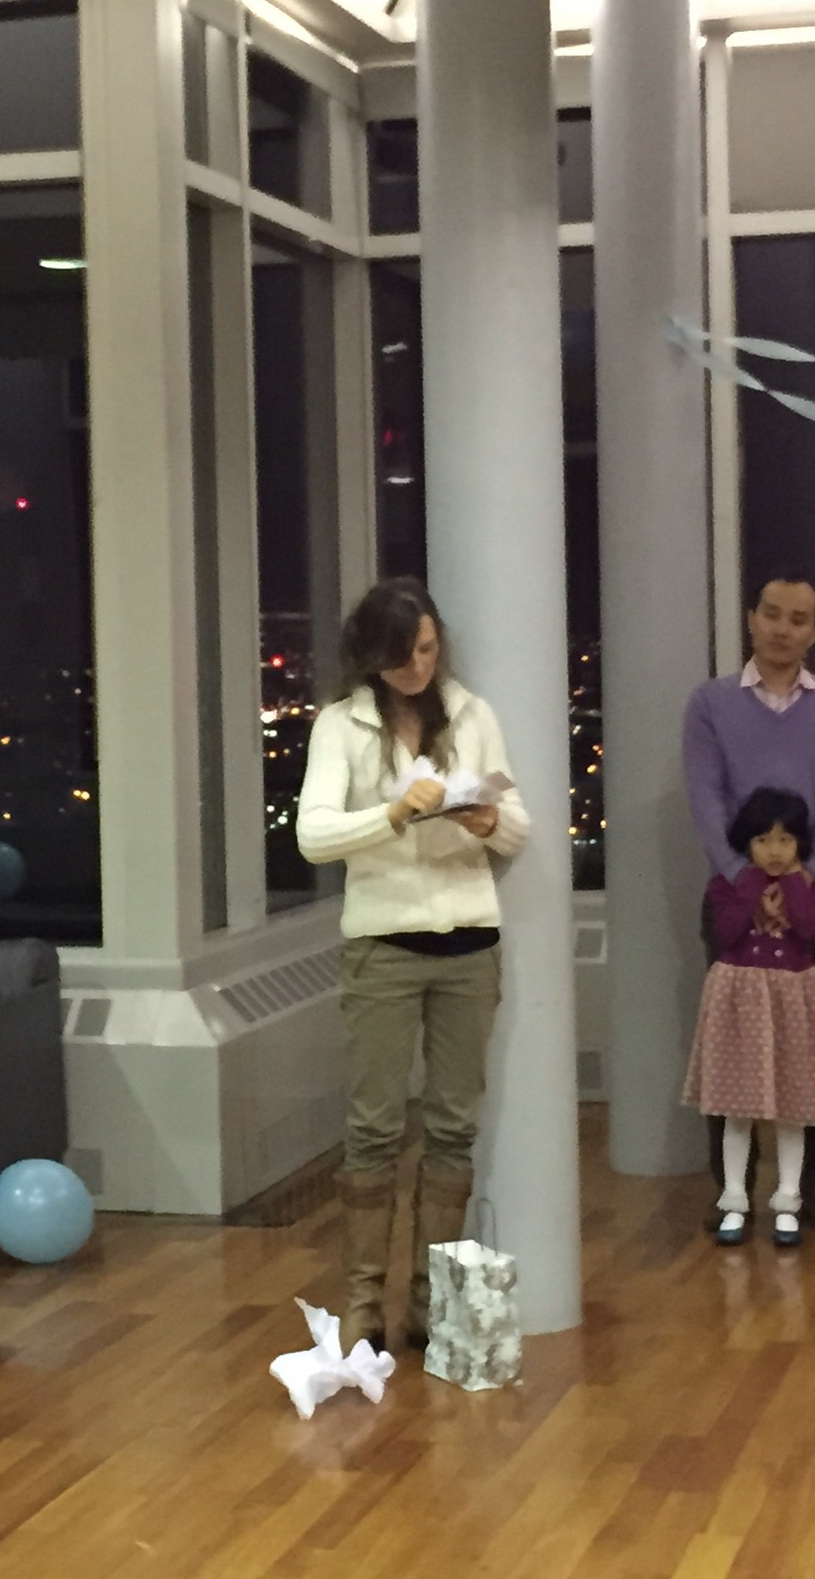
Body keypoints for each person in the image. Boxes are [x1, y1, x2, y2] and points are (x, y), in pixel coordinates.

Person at [296, 578, 529, 1355]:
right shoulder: (341, 725)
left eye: (427, 650)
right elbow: (313, 837)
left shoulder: (472, 715)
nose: (418, 668)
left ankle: (434, 1307)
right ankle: (363, 1306)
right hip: (383, 944)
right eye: (401, 658)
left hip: (468, 943)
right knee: (374, 1127)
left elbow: (518, 828)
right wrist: (394, 814)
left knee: (453, 1128)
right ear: (371, 658)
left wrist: (485, 818)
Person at [683, 574, 815, 1232]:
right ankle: (731, 1192)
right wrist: (745, 880)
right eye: (772, 614)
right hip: (732, 898)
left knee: (810, 1044)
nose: (782, 629)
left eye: (798, 619)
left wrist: (803, 878)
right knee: (729, 1039)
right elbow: (706, 798)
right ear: (751, 618)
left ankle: (814, 1188)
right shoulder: (711, 703)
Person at [682, 788, 815, 1247]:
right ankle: (734, 1200)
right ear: (746, 843)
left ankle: (788, 1200)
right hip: (742, 1000)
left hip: (792, 1000)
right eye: (762, 840)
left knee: (792, 1109)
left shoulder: (808, 885)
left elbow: (812, 927)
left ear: (800, 843)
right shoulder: (728, 884)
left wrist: (795, 886)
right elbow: (725, 931)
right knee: (737, 1108)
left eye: (785, 840)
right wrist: (750, 888)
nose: (775, 851)